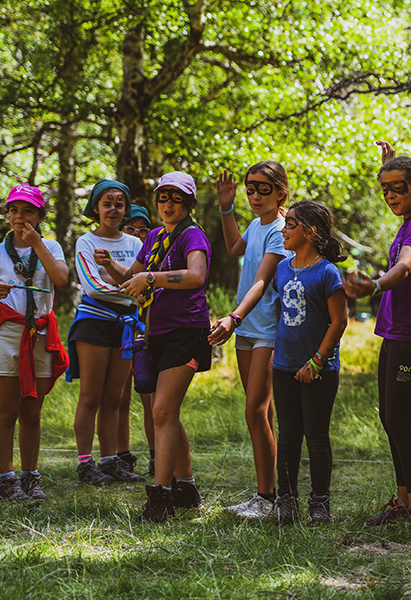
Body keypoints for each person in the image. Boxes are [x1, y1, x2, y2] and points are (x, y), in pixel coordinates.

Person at [210, 201, 348, 523]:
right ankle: (285, 502)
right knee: (287, 434)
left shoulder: (327, 272)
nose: (284, 230)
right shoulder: (283, 269)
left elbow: (339, 322)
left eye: (290, 225)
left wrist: (316, 361)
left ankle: (319, 503)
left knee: (315, 436)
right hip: (284, 364)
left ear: (310, 232)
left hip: (317, 369)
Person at [102, 171, 212, 523]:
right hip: (154, 334)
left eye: (175, 198)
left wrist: (151, 277)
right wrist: (111, 266)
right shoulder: (152, 237)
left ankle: (160, 495)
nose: (167, 204)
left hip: (187, 333)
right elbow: (130, 276)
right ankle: (186, 486)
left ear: (188, 203)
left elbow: (196, 276)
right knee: (167, 411)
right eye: (162, 198)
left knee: (162, 410)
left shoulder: (192, 236)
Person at [346, 144, 411, 530]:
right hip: (396, 331)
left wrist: (374, 285)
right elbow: (401, 176)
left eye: (398, 189)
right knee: (390, 418)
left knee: (400, 421)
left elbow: (404, 266)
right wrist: (390, 161)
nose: (391, 197)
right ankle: (403, 499)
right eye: (385, 189)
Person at [0, 184, 69, 501]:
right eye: (14, 210)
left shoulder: (51, 247)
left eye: (28, 210)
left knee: (33, 412)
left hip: (39, 337)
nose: (19, 217)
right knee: (6, 411)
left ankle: (31, 477)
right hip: (6, 338)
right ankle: (6, 480)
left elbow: (61, 279)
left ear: (40, 215)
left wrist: (37, 244)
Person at [215, 162, 292, 519]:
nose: (256, 195)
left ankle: (267, 498)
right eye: (251, 188)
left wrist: (234, 316)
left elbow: (262, 281)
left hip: (267, 329)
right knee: (263, 412)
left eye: (263, 188)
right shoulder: (256, 224)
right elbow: (233, 248)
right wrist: (226, 207)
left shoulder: (281, 230)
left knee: (255, 411)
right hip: (246, 328)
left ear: (281, 192)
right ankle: (272, 495)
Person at [68, 180, 145, 486]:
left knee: (115, 396)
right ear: (96, 208)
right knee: (91, 395)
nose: (113, 209)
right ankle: (85, 463)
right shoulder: (85, 242)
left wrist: (129, 287)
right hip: (94, 323)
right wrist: (131, 289)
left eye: (119, 204)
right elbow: (91, 286)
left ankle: (111, 460)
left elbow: (145, 283)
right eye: (107, 203)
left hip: (127, 327)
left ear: (126, 209)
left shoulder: (136, 245)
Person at [114, 203, 154, 475]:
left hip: (147, 327)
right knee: (119, 395)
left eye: (143, 229)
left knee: (150, 396)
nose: (138, 234)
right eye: (131, 228)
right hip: (118, 323)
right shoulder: (117, 251)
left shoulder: (156, 251)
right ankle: (121, 454)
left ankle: (156, 455)